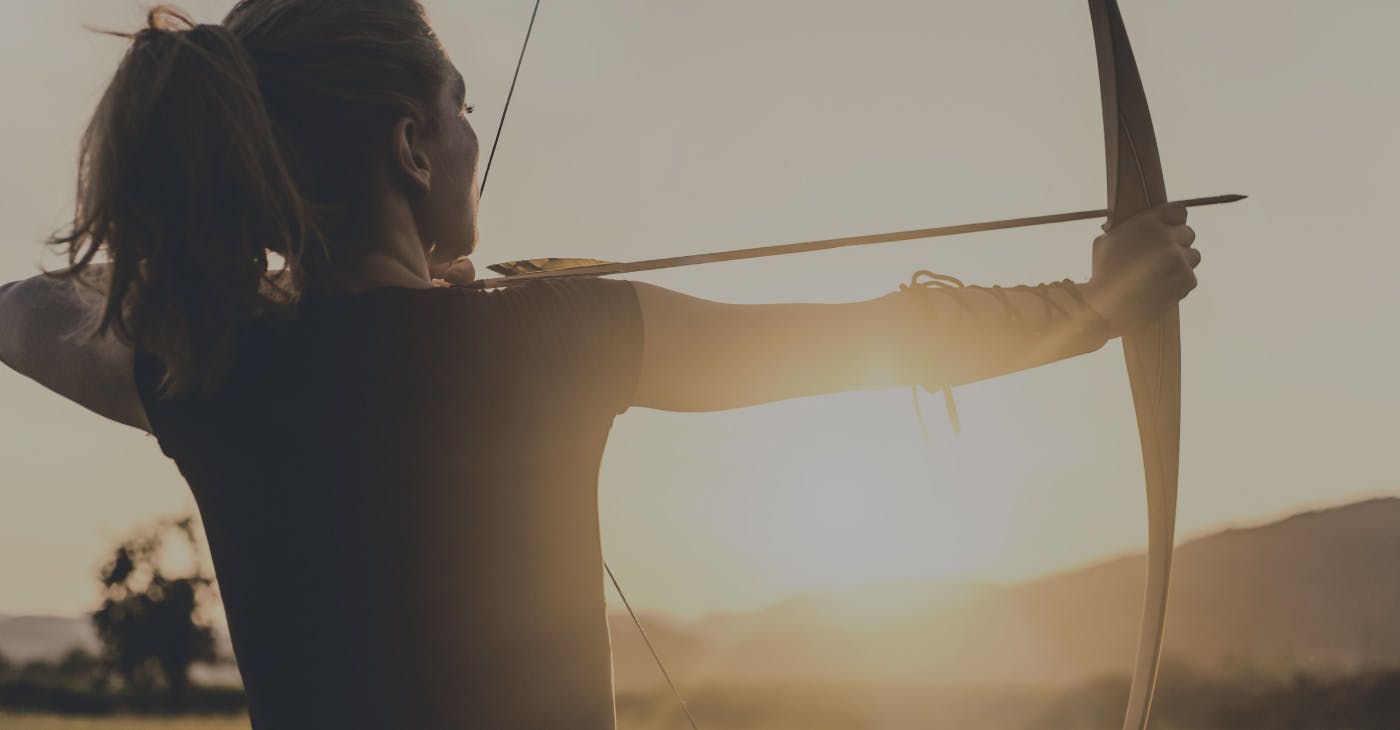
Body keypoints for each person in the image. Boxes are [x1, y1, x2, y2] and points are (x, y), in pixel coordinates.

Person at [0, 1, 1200, 727]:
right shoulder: (548, 341)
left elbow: (28, 310)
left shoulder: (202, 374)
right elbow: (870, 340)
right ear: (411, 147)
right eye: (457, 107)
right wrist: (1095, 303)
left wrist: (261, 297)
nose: (471, 133)